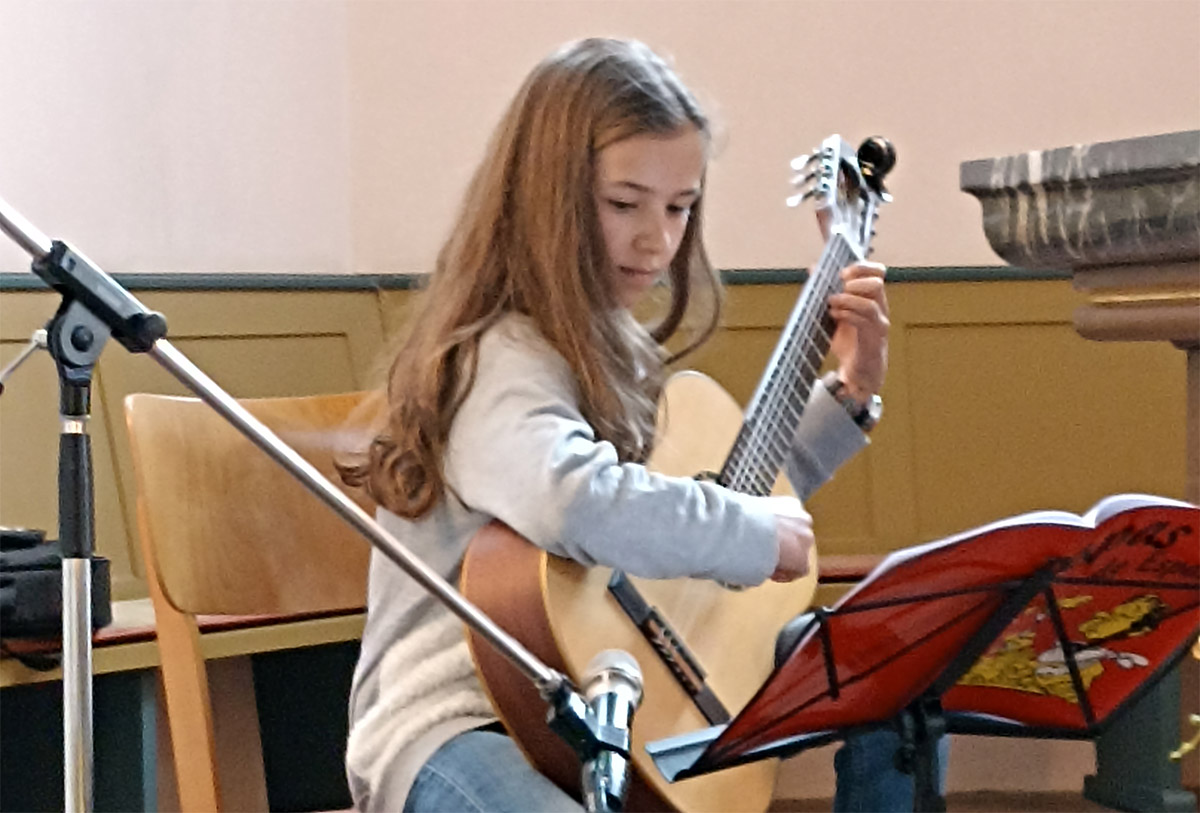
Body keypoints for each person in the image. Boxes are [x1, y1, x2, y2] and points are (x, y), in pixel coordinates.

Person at [340, 37, 940, 813]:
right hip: (457, 725)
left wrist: (851, 393)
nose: (657, 239)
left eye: (680, 207)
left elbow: (701, 501)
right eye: (624, 204)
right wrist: (755, 534)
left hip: (607, 687)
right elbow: (578, 502)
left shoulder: (615, 344)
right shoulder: (499, 352)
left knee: (891, 667)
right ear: (547, 196)